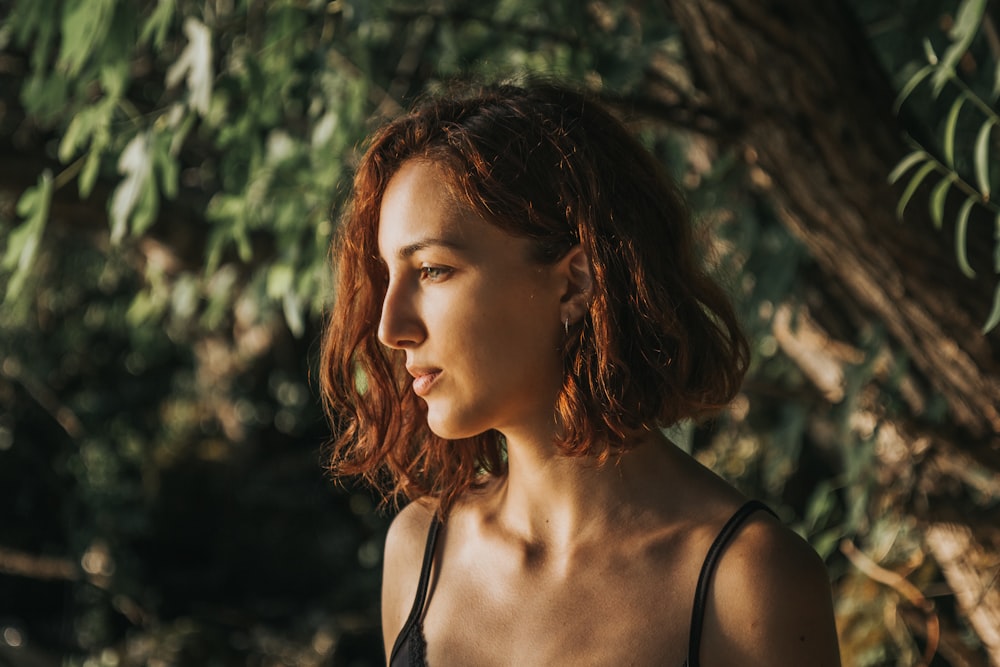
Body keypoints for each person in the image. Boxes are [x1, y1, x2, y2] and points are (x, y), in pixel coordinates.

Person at [320, 80, 841, 666]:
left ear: (575, 281)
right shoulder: (420, 553)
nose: (391, 327)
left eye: (434, 270)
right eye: (390, 274)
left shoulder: (745, 583)